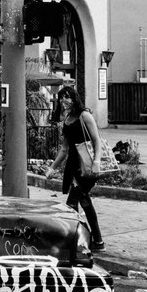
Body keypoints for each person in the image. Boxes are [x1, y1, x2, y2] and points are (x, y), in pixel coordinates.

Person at [47, 86, 105, 251]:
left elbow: (97, 140)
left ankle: (76, 241)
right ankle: (98, 242)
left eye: (67, 97)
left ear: (74, 98)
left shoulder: (84, 115)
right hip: (73, 165)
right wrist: (52, 168)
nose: (64, 101)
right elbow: (64, 149)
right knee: (85, 201)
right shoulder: (67, 120)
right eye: (61, 98)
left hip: (86, 167)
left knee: (72, 203)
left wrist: (97, 161)